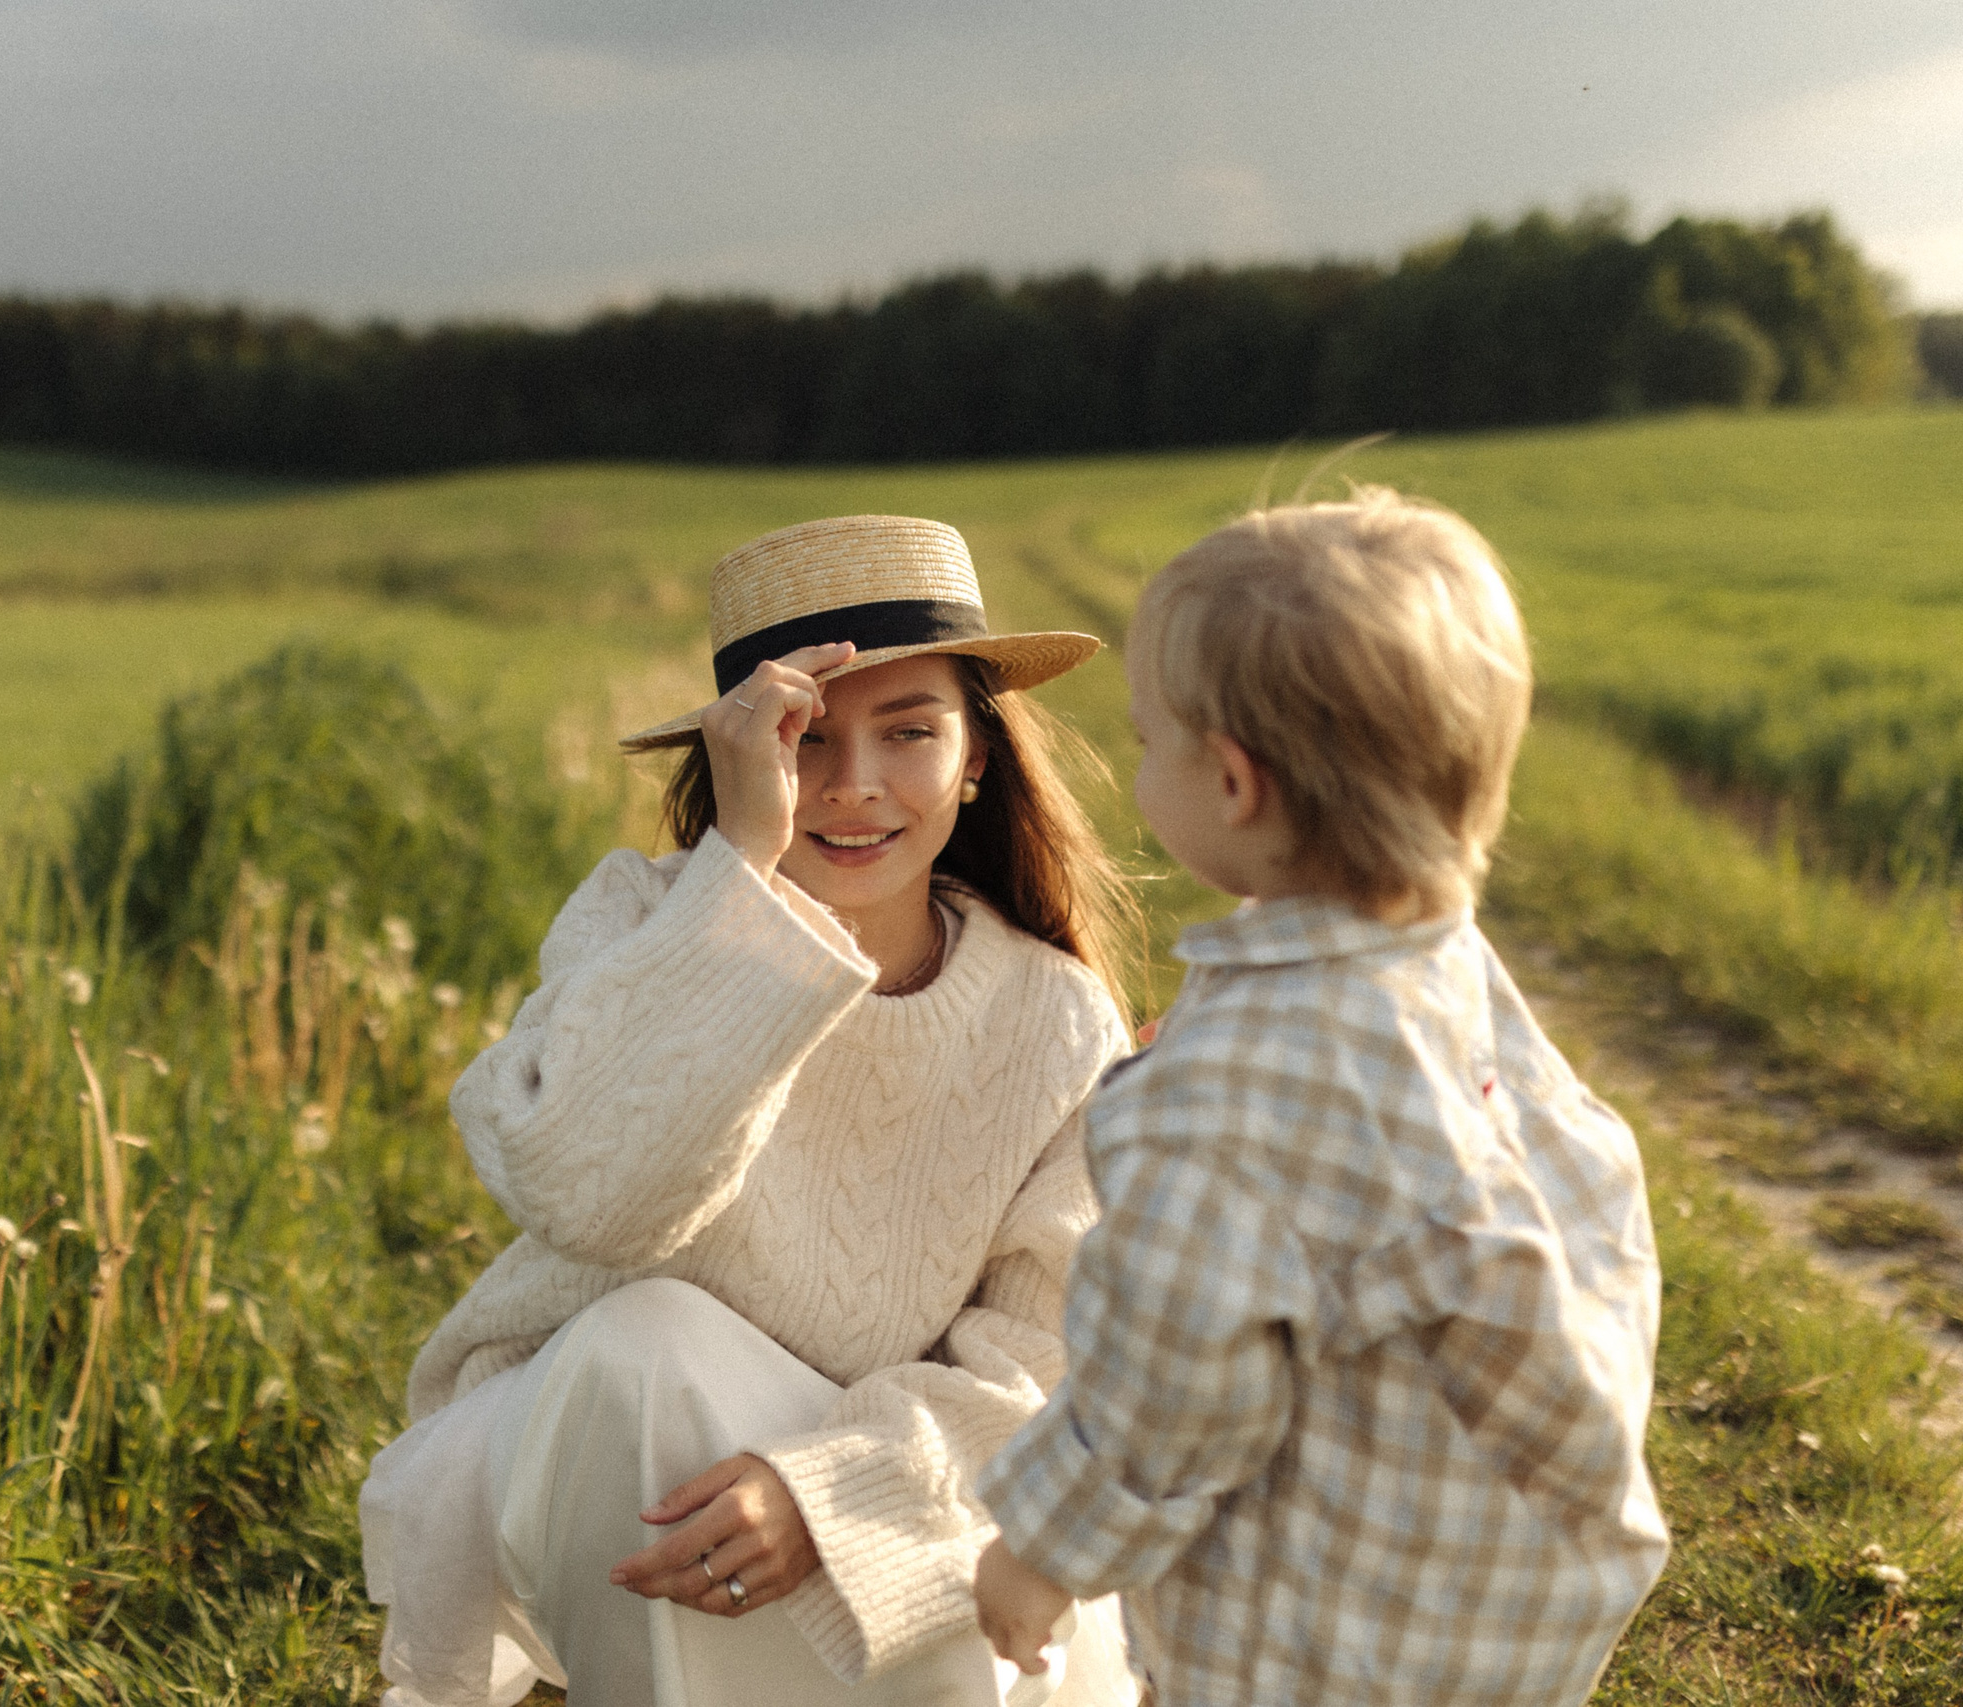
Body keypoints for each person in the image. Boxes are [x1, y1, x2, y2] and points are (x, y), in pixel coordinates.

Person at [360, 514, 1148, 1706]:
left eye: (910, 732)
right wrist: (741, 876)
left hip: (895, 1477)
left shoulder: (1052, 1016)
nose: (853, 784)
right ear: (736, 752)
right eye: (801, 737)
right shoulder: (639, 922)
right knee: (643, 1341)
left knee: (936, 1595)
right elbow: (586, 1202)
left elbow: (1043, 1362)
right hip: (609, 1452)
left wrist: (823, 1494)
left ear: (977, 755)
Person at [971, 489, 1669, 1706]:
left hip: (1316, 1629)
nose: (1137, 764)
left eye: (1147, 740)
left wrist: (1041, 1553)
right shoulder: (1435, 965)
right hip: (1476, 1571)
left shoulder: (1236, 1088)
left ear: (1233, 783)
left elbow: (1169, 1388)